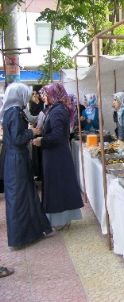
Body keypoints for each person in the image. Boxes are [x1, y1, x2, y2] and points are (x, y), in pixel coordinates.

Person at [0, 83, 52, 248]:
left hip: (13, 158)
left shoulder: (9, 111)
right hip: (17, 159)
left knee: (24, 196)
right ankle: (21, 237)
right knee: (20, 199)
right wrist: (32, 132)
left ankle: (32, 232)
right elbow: (17, 138)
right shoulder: (15, 112)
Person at [32, 83, 83, 230]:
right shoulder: (55, 109)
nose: (43, 97)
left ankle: (60, 219)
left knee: (58, 186)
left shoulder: (57, 111)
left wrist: (42, 140)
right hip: (56, 155)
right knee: (58, 185)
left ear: (54, 94)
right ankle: (60, 219)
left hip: (57, 156)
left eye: (45, 94)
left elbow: (58, 136)